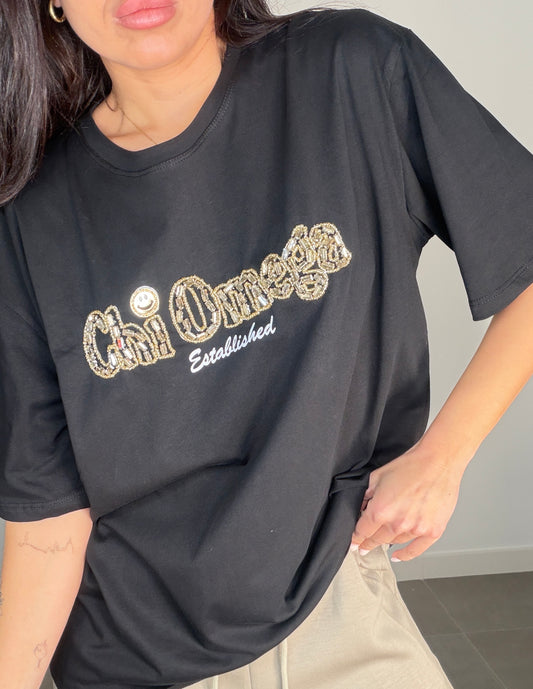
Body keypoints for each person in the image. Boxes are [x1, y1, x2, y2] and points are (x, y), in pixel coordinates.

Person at [0, 1, 532, 688]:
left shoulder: (350, 70)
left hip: (335, 618)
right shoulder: (30, 215)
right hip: (129, 658)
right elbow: (47, 515)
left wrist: (442, 457)